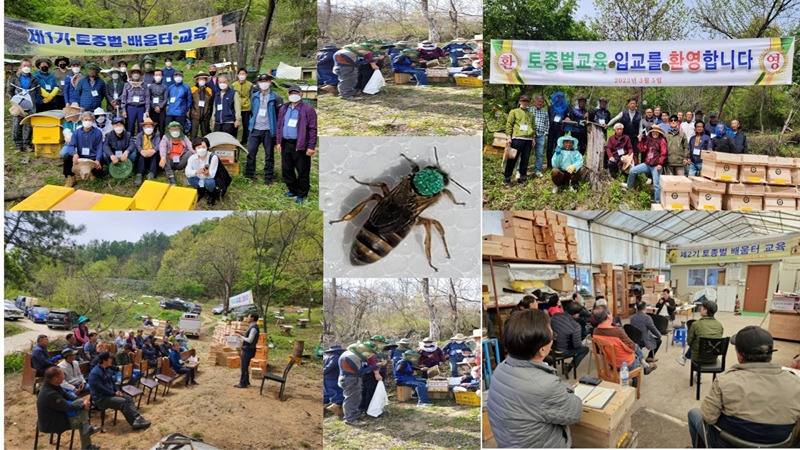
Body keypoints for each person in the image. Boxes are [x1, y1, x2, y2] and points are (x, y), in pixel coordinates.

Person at [688, 326, 800, 448]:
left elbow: (708, 417)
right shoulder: (795, 383)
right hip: (777, 445)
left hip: (727, 444)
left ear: (739, 355)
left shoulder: (725, 381)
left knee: (694, 413)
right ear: (770, 354)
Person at [487, 309, 582, 447]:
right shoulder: (544, 386)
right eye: (553, 336)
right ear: (542, 350)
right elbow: (575, 411)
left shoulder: (502, 368)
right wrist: (563, 386)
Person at [38, 366, 100, 450]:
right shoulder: (50, 394)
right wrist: (83, 405)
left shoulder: (53, 384)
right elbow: (67, 407)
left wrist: (81, 401)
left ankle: (87, 426)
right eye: (62, 375)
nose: (64, 376)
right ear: (55, 378)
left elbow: (67, 395)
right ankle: (87, 446)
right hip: (52, 422)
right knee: (82, 424)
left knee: (80, 403)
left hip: (57, 414)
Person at [88, 352, 151, 430]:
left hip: (110, 394)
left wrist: (117, 391)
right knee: (123, 402)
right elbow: (100, 388)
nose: (111, 360)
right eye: (110, 359)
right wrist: (114, 393)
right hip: (101, 398)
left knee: (128, 398)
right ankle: (134, 423)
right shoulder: (94, 373)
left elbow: (112, 383)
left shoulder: (106, 369)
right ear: (104, 361)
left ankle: (137, 417)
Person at [277, 84, 317, 204]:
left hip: (300, 144)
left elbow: (312, 129)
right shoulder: (284, 108)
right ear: (288, 95)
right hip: (286, 143)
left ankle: (302, 193)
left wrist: (311, 146)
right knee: (287, 169)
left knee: (302, 170)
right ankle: (293, 190)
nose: (294, 95)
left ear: (301, 94)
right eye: (291, 93)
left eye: (296, 93)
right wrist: (278, 142)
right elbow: (280, 126)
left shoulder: (308, 109)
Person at [592, 307, 656, 374]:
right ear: (608, 316)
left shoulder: (595, 332)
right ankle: (636, 378)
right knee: (635, 348)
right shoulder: (618, 332)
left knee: (635, 346)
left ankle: (645, 365)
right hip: (625, 364)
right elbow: (631, 348)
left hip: (610, 362)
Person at [246, 74, 283, 184]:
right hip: (255, 129)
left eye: (266, 80)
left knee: (269, 155)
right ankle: (249, 175)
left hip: (268, 130)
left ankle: (268, 177)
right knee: (251, 152)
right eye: (261, 81)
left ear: (270, 82)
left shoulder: (276, 97)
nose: (263, 83)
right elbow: (253, 110)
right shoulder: (255, 96)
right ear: (258, 83)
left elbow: (280, 116)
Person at [505, 94, 548, 185]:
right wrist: (509, 136)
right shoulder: (514, 112)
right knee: (513, 158)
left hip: (528, 139)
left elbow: (533, 127)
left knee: (525, 159)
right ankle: (507, 177)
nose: (525, 103)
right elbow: (509, 124)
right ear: (520, 101)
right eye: (523, 101)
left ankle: (522, 177)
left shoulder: (530, 114)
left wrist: (533, 138)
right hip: (517, 138)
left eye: (527, 101)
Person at [337, 342, 381, 425]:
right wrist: (375, 366)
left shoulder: (349, 354)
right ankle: (350, 419)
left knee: (356, 398)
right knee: (351, 399)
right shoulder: (352, 356)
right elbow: (361, 371)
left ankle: (354, 415)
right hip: (350, 379)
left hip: (350, 378)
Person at [623, 126, 667, 204]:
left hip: (656, 165)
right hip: (647, 164)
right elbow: (642, 149)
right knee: (632, 171)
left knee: (656, 185)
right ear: (651, 132)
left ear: (659, 133)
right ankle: (629, 189)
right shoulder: (649, 140)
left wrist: (660, 163)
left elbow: (664, 153)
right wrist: (640, 141)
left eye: (656, 132)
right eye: (653, 131)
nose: (654, 133)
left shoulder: (662, 141)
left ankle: (658, 202)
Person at [64, 112, 105, 187]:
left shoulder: (98, 133)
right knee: (67, 156)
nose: (87, 122)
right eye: (86, 119)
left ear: (93, 121)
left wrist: (98, 159)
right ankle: (71, 177)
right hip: (80, 156)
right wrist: (74, 154)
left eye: (90, 120)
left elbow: (100, 148)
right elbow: (71, 145)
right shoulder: (76, 133)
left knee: (100, 174)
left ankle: (90, 173)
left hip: (93, 157)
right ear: (82, 120)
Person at [676, 300, 724, 366]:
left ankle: (685, 357)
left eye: (702, 307)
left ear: (705, 311)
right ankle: (685, 357)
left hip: (698, 358)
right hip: (713, 358)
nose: (700, 309)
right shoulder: (719, 325)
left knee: (695, 341)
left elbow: (689, 342)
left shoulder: (696, 324)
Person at [8, 60, 41, 152]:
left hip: (30, 107)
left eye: (28, 66)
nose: (26, 67)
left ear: (31, 68)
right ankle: (18, 145)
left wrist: (32, 100)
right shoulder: (15, 79)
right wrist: (16, 99)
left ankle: (27, 144)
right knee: (16, 125)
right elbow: (10, 90)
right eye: (24, 65)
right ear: (20, 67)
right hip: (18, 106)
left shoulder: (34, 80)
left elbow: (38, 92)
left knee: (28, 126)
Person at [551, 301, 591, 375]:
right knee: (585, 349)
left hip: (551, 347)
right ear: (577, 314)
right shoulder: (576, 326)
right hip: (562, 351)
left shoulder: (555, 315)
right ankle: (570, 366)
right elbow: (577, 346)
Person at [185, 137, 220, 205]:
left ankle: (211, 194)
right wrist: (196, 171)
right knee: (189, 177)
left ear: (207, 147)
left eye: (203, 147)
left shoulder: (213, 157)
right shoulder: (192, 158)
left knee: (209, 182)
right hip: (198, 177)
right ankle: (200, 190)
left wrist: (207, 174)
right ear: (195, 148)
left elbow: (212, 174)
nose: (201, 149)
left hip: (208, 178)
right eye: (198, 147)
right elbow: (187, 172)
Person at [360, 335, 389, 413]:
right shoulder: (370, 348)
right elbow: (372, 362)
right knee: (370, 390)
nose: (381, 344)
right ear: (377, 342)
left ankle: (362, 407)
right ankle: (369, 408)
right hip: (370, 373)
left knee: (365, 390)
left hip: (365, 372)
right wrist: (377, 373)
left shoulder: (365, 348)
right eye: (381, 342)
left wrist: (382, 363)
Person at [608, 98, 642, 162]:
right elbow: (615, 119)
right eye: (631, 103)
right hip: (625, 137)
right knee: (625, 151)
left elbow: (640, 126)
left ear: (636, 105)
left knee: (635, 152)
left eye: (634, 103)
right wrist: (608, 125)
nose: (632, 105)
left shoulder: (639, 114)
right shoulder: (623, 113)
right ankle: (624, 166)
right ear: (628, 105)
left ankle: (635, 167)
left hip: (635, 137)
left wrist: (640, 134)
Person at [120, 64, 150, 135]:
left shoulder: (144, 85)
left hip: (141, 108)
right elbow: (124, 98)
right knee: (130, 126)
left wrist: (147, 110)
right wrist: (124, 110)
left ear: (140, 74)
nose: (136, 74)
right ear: (131, 74)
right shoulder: (127, 85)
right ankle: (130, 142)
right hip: (130, 107)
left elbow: (147, 98)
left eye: (137, 72)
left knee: (141, 126)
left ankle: (140, 142)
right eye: (134, 72)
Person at [547, 91, 572, 168]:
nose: (559, 99)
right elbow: (547, 118)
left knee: (559, 146)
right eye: (558, 97)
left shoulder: (566, 107)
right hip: (551, 128)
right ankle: (549, 164)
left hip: (560, 128)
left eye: (561, 97)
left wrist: (568, 118)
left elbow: (569, 117)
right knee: (549, 146)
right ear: (555, 98)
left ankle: (557, 163)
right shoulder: (550, 107)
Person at [234, 313, 260, 388]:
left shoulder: (254, 328)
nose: (247, 318)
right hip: (249, 349)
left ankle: (242, 383)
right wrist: (241, 334)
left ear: (252, 318)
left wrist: (240, 336)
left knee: (244, 367)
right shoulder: (252, 327)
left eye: (248, 317)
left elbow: (249, 340)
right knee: (245, 366)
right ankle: (246, 382)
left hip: (248, 350)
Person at [134, 117, 161, 185]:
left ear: (153, 127)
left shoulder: (157, 136)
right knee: (141, 157)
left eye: (150, 126)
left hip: (152, 152)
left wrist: (153, 151)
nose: (148, 128)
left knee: (154, 157)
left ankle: (152, 174)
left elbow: (158, 145)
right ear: (143, 127)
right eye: (146, 127)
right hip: (143, 152)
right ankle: (139, 174)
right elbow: (138, 145)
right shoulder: (140, 135)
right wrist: (142, 151)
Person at [323, 345, 346, 416]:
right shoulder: (335, 357)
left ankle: (328, 409)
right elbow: (330, 366)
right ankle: (334, 407)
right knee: (337, 393)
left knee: (328, 393)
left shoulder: (325, 357)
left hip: (326, 377)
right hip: (333, 377)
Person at [190, 71, 213, 139]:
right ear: (197, 80)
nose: (202, 80)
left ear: (206, 80)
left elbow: (210, 103)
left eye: (203, 79)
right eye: (200, 79)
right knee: (193, 133)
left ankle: (205, 146)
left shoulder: (209, 90)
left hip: (206, 115)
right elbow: (190, 102)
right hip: (195, 115)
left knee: (205, 134)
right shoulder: (192, 89)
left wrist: (209, 113)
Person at [233, 68, 253, 145]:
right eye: (240, 74)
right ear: (237, 75)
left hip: (246, 107)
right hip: (236, 107)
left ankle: (244, 141)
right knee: (235, 125)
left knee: (246, 125)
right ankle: (234, 139)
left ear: (246, 75)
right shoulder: (234, 85)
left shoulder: (250, 85)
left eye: (243, 74)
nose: (242, 76)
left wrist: (251, 107)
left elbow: (251, 96)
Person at [148, 69, 169, 137]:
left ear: (162, 76)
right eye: (156, 75)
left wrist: (160, 107)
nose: (158, 76)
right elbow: (148, 98)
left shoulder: (165, 87)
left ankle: (162, 142)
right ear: (153, 76)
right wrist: (154, 107)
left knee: (162, 127)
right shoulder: (150, 87)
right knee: (153, 127)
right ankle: (153, 142)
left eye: (159, 75)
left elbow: (165, 98)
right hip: (152, 110)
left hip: (162, 110)